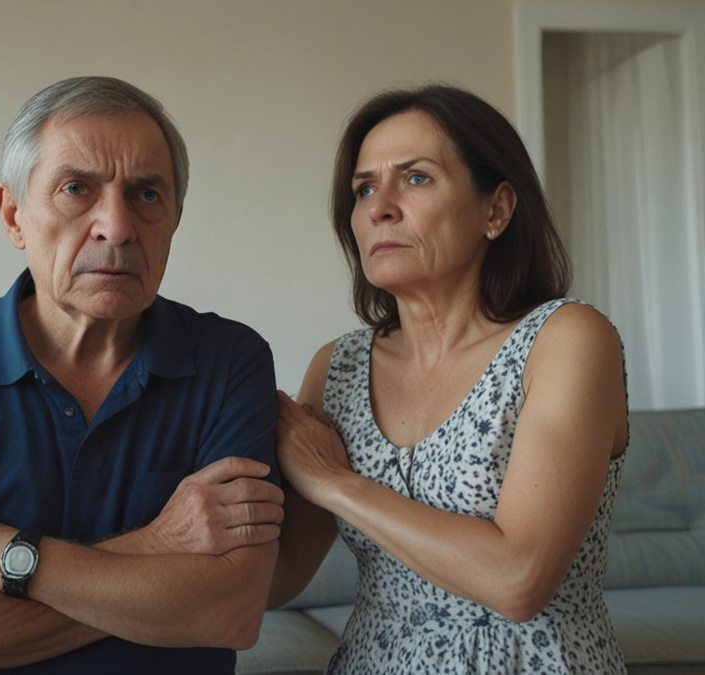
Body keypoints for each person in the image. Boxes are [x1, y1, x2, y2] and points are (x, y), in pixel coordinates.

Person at [0, 76, 284, 675]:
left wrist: (7, 557)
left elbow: (230, 611)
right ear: (14, 216)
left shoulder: (230, 360)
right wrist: (155, 546)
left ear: (175, 220)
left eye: (146, 195)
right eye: (76, 189)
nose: (117, 227)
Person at [269, 85, 629, 673]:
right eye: (364, 189)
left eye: (415, 178)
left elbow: (519, 579)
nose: (380, 208)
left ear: (497, 210)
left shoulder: (567, 339)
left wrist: (335, 484)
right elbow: (281, 577)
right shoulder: (337, 367)